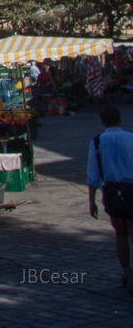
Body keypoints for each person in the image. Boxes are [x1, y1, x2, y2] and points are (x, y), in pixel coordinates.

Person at [87, 105, 133, 293]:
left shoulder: (97, 142)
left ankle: (127, 271)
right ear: (120, 119)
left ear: (102, 121)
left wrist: (92, 201)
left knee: (121, 234)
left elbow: (93, 175)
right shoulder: (131, 138)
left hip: (113, 193)